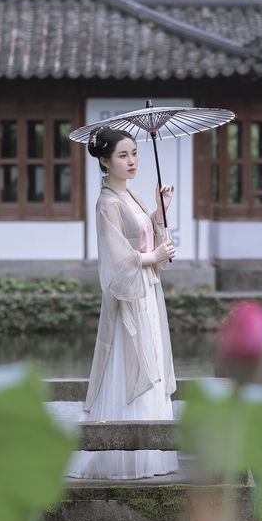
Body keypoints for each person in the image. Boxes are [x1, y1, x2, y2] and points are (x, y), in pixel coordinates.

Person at [66, 127, 179, 479]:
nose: (132, 161)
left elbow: (146, 240)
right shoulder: (108, 203)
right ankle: (122, 459)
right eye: (123, 155)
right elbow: (116, 260)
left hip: (147, 292)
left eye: (134, 153)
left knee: (152, 355)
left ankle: (152, 454)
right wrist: (152, 256)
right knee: (131, 359)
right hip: (128, 294)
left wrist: (159, 211)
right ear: (104, 161)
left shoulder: (133, 196)